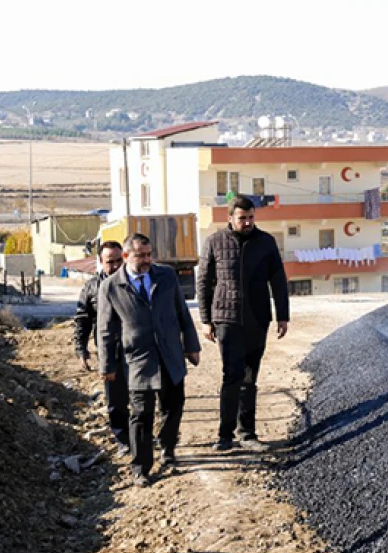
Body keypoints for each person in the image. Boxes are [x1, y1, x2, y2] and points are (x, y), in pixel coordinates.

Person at [98, 233, 201, 487]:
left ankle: (167, 448)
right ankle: (141, 467)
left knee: (173, 406)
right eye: (139, 256)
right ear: (125, 257)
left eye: (148, 254)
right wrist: (107, 366)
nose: (146, 260)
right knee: (141, 414)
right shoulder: (111, 287)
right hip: (138, 360)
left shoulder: (166, 276)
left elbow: (182, 312)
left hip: (170, 354)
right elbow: (106, 330)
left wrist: (191, 345)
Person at [197, 194, 290, 452]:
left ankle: (247, 433)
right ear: (230, 218)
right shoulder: (215, 242)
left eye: (250, 217)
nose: (247, 222)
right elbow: (204, 281)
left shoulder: (266, 242)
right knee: (232, 376)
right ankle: (225, 435)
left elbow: (279, 281)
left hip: (257, 319)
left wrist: (282, 315)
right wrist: (206, 320)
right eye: (242, 218)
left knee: (250, 377)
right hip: (226, 319)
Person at [74, 240, 130, 456]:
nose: (115, 266)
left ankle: (143, 435)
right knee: (116, 400)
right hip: (109, 352)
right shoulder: (91, 288)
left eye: (119, 260)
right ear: (100, 262)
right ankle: (123, 439)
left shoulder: (134, 283)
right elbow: (82, 320)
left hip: (136, 351)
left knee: (141, 397)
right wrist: (82, 350)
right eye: (110, 262)